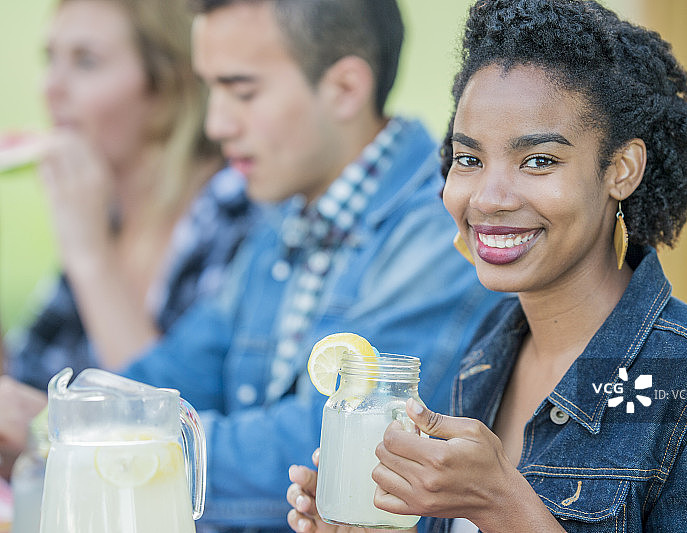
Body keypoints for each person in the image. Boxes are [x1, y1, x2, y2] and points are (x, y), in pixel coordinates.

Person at [285, 0, 687, 531]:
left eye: (538, 161)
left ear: (621, 170)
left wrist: (502, 504)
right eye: (469, 159)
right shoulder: (486, 352)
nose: (489, 197)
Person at [1, 0, 504, 530]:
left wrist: (70, 434)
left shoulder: (437, 234)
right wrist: (66, 415)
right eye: (209, 89)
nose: (216, 123)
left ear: (345, 89)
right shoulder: (283, 221)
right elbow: (170, 376)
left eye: (242, 91)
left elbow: (326, 447)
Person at [2, 0, 255, 389]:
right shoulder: (110, 215)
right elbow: (29, 380)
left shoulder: (236, 212)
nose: (50, 88)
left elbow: (167, 416)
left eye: (86, 61)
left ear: (166, 88)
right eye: (50, 59)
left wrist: (90, 255)